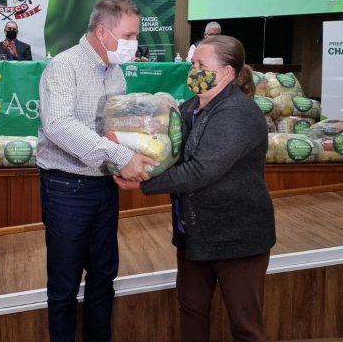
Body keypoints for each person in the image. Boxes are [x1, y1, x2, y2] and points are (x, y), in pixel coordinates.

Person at [116, 35, 276, 342]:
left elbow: (202, 169)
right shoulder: (190, 108)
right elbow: (167, 151)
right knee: (192, 310)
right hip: (194, 233)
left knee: (245, 324)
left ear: (226, 72)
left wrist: (143, 182)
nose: (193, 71)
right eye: (193, 64)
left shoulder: (238, 113)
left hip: (237, 237)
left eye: (201, 65)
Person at [37, 0, 159, 342]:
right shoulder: (65, 67)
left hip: (104, 186)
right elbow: (59, 126)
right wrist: (121, 157)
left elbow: (113, 129)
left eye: (137, 36)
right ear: (103, 32)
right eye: (129, 35)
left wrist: (133, 155)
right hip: (66, 190)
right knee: (64, 285)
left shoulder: (115, 73)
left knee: (104, 278)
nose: (135, 43)